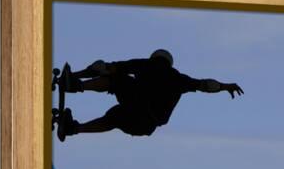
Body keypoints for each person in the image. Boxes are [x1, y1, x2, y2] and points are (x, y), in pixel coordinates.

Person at [55, 49, 244, 141]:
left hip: (137, 106)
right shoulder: (179, 79)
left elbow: (106, 68)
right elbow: (206, 85)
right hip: (144, 125)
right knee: (114, 118)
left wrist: (75, 77)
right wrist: (225, 86)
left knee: (117, 79)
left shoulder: (146, 64)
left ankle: (76, 86)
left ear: (155, 58)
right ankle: (73, 129)